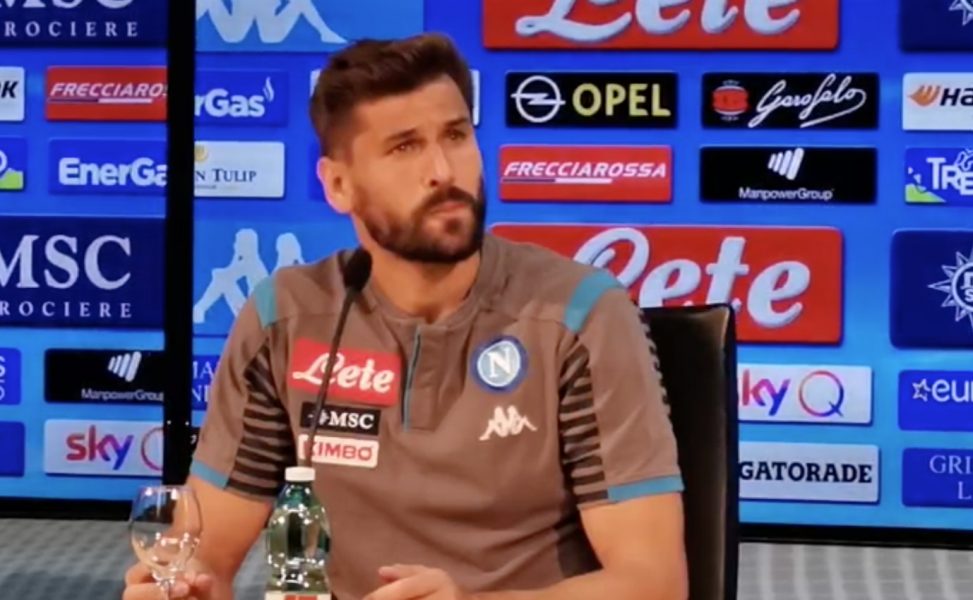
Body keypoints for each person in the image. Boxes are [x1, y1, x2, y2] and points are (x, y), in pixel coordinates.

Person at [124, 32, 688, 600]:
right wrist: (183, 586)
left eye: (456, 135)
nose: (442, 170)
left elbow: (655, 583)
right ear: (338, 185)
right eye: (404, 147)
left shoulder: (582, 315)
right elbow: (207, 552)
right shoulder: (285, 318)